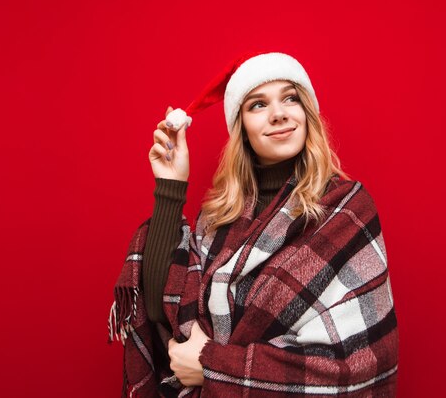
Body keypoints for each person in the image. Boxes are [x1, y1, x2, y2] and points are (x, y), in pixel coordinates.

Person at [108, 52, 399, 397]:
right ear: (241, 127)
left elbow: (357, 364)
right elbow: (161, 311)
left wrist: (212, 366)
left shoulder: (346, 210)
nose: (278, 114)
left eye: (290, 97)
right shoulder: (220, 218)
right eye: (258, 105)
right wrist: (171, 186)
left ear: (306, 112)